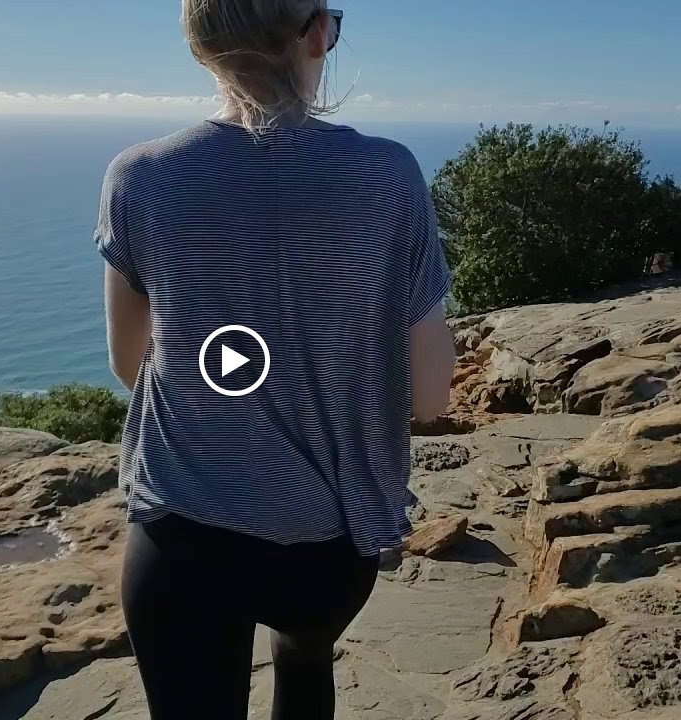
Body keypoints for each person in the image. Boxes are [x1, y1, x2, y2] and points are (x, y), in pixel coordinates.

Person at [95, 1, 456, 718]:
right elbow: (431, 396)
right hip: (330, 548)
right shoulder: (389, 175)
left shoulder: (139, 177)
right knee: (304, 659)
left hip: (183, 535)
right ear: (317, 34)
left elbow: (128, 363)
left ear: (200, 46)